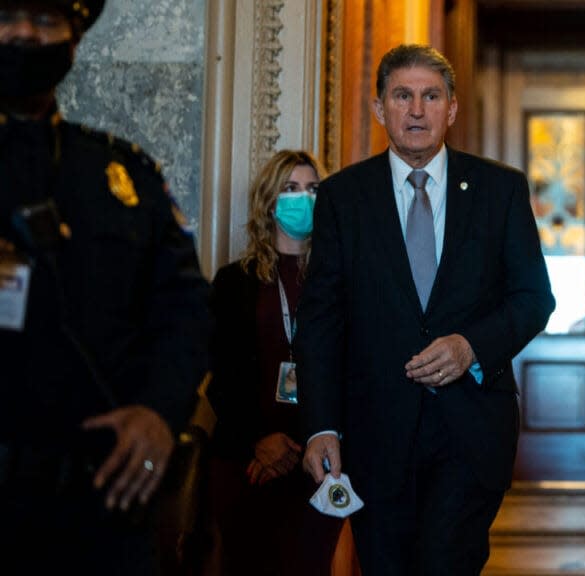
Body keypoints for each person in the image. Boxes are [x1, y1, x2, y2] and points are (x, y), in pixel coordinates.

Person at [295, 44, 555, 575]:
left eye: (431, 96)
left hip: (471, 430)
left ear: (451, 109)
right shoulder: (344, 197)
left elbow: (534, 298)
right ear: (379, 109)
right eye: (403, 96)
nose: (417, 110)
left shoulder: (499, 189)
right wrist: (321, 424)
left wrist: (470, 346)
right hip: (374, 434)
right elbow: (321, 320)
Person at [0, 0, 210, 574]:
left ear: (74, 37)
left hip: (103, 508)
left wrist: (160, 413)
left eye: (44, 20)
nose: (23, 33)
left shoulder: (124, 176)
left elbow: (187, 312)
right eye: (7, 15)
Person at [207, 150, 345, 575]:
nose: (303, 198)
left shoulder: (340, 280)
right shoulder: (234, 282)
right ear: (270, 200)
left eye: (312, 189)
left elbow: (351, 370)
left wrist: (316, 440)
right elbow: (221, 377)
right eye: (290, 189)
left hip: (318, 460)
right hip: (250, 461)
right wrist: (260, 440)